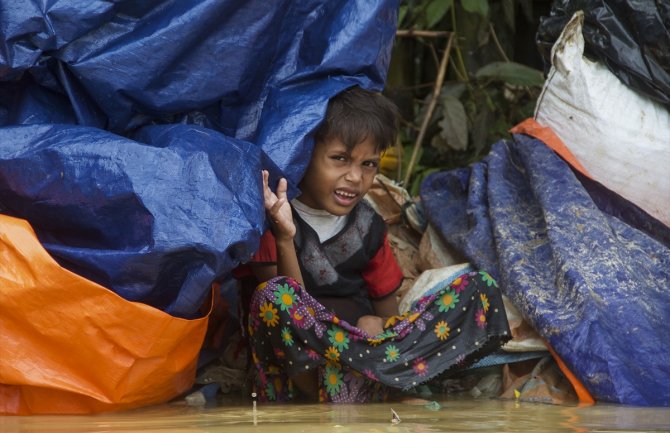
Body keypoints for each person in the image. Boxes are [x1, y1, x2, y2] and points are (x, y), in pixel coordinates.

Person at [242, 86, 510, 403]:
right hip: (302, 370)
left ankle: (376, 383)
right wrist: (285, 237)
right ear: (305, 153)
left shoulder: (369, 226)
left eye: (368, 164)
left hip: (368, 356)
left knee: (480, 287)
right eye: (340, 159)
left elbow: (390, 317)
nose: (355, 177)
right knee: (274, 295)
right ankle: (373, 388)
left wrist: (380, 332)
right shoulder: (271, 218)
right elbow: (291, 309)